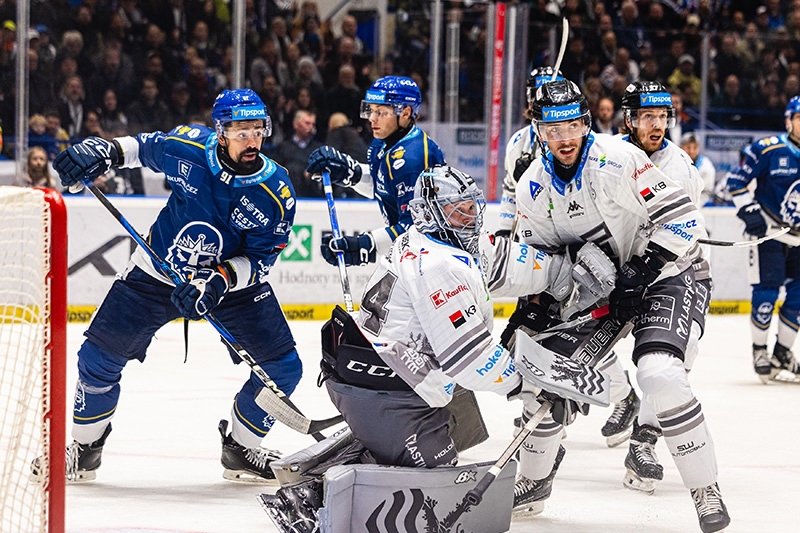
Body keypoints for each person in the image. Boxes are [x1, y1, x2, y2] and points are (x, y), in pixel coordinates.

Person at [263, 164, 586, 530]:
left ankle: (371, 443)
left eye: (470, 206)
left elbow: (508, 264)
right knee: (435, 488)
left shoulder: (426, 238)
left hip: (369, 375)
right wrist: (529, 386)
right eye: (456, 209)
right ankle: (311, 496)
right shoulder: (439, 267)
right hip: (386, 388)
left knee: (463, 423)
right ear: (432, 212)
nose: (469, 216)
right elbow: (470, 357)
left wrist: (564, 272)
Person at [42, 88, 301, 483]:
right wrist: (100, 150)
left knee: (283, 368)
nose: (252, 140)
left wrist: (219, 281)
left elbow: (262, 259)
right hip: (158, 272)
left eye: (258, 130)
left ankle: (241, 449)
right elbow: (141, 148)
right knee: (96, 359)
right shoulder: (188, 147)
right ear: (220, 131)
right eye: (241, 131)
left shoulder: (275, 193)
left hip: (228, 285)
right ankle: (84, 449)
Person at [515, 79, 729, 533]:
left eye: (572, 125)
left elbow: (683, 219)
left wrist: (645, 267)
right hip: (601, 287)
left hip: (668, 275)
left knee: (661, 374)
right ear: (538, 132)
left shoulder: (620, 159)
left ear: (586, 123)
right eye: (552, 131)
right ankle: (532, 482)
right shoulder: (533, 185)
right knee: (540, 374)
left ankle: (704, 488)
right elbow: (546, 258)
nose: (564, 139)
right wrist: (533, 306)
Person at [619, 80, 716, 498]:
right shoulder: (612, 156)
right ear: (630, 119)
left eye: (662, 117)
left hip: (677, 274)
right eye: (647, 117)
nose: (656, 125)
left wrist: (647, 265)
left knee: (670, 367)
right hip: (622, 275)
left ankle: (642, 440)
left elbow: (681, 237)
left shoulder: (678, 167)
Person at [306, 76, 445, 267]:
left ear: (405, 113)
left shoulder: (414, 159)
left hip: (431, 261)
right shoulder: (383, 142)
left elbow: (416, 229)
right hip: (408, 256)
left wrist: (366, 245)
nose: (372, 118)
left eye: (381, 112)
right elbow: (382, 185)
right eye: (370, 110)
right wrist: (351, 173)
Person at [726, 95, 800, 384]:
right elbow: (735, 183)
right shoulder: (769, 149)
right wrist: (748, 210)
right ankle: (759, 350)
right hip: (770, 231)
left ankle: (782, 351)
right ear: (788, 120)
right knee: (767, 292)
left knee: (797, 297)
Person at [496, 66, 563, 239]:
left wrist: (534, 176)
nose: (542, 102)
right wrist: (505, 231)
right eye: (536, 96)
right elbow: (510, 192)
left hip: (568, 231)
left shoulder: (577, 139)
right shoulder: (518, 143)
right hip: (531, 233)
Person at [266, 109, 323, 198]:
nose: (311, 127)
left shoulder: (318, 149)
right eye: (307, 123)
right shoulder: (284, 147)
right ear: (296, 124)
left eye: (313, 124)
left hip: (313, 197)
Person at [679, 132, 716, 206]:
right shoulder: (673, 162)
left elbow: (707, 190)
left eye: (694, 148)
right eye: (688, 147)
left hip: (701, 200)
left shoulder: (705, 165)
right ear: (681, 147)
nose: (691, 151)